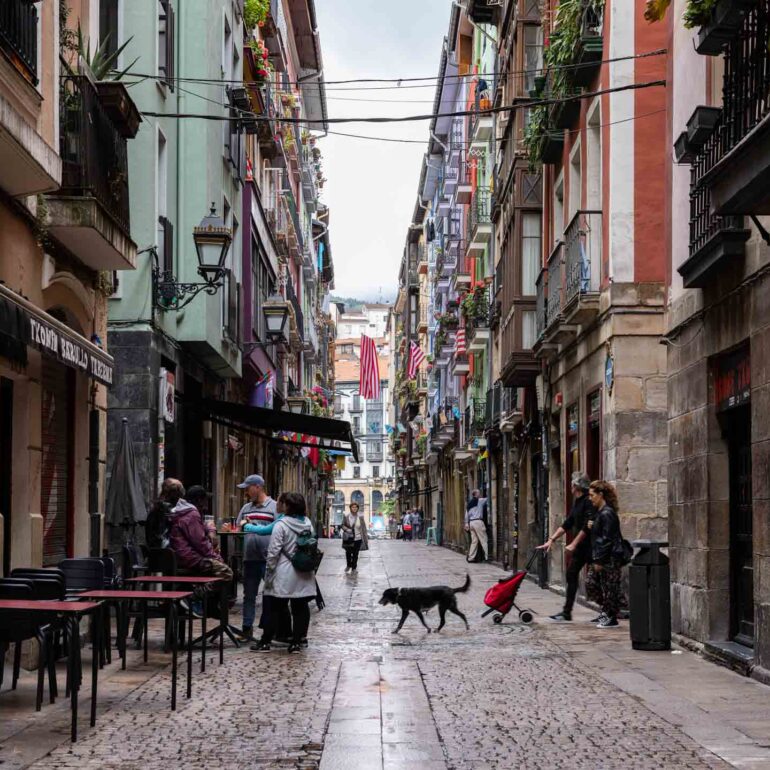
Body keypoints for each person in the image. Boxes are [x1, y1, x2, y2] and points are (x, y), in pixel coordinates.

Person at [252, 492, 317, 654]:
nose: (278, 505)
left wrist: (269, 573)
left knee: (275, 607)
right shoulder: (308, 524)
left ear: (287, 506)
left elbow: (273, 552)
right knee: (300, 607)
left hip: (284, 572)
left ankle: (265, 641)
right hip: (303, 572)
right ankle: (296, 642)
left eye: (281, 502)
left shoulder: (281, 525)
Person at [537, 472, 594, 622]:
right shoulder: (578, 501)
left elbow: (587, 526)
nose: (570, 487)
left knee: (599, 577)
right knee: (571, 574)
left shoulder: (589, 501)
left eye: (571, 484)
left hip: (591, 546)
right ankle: (566, 612)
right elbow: (568, 523)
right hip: (582, 547)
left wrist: (574, 543)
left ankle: (610, 611)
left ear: (575, 486)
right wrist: (551, 540)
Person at [569, 480, 624, 629]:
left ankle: (611, 616)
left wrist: (599, 561)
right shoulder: (600, 513)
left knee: (609, 586)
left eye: (592, 495)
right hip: (600, 556)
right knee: (591, 583)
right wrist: (591, 526)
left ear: (601, 495)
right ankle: (607, 611)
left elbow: (607, 539)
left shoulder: (607, 513)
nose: (589, 498)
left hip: (609, 557)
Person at [234, 474, 277, 641]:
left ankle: (270, 629)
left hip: (268, 559)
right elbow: (238, 529)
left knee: (271, 594)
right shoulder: (245, 508)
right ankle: (246, 629)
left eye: (248, 488)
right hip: (250, 558)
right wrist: (233, 529)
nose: (246, 492)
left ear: (258, 487)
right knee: (249, 595)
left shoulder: (273, 507)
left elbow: (279, 530)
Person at [165, 479, 233, 580]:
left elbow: (202, 528)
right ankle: (196, 595)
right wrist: (217, 559)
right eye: (205, 501)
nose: (205, 506)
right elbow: (201, 543)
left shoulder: (182, 511)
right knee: (226, 572)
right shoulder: (191, 514)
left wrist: (210, 529)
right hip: (188, 558)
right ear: (199, 500)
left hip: (180, 556)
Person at [341, 502, 368, 572]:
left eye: (356, 507)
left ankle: (354, 568)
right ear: (350, 508)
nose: (354, 508)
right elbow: (342, 525)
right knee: (348, 552)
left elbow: (364, 528)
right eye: (353, 507)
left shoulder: (360, 517)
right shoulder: (346, 516)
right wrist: (347, 529)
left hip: (358, 538)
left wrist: (365, 538)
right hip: (349, 538)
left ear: (357, 508)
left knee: (356, 554)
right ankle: (348, 565)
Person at [464, 489, 488, 562]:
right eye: (479, 493)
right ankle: (487, 557)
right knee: (484, 539)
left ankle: (471, 558)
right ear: (476, 494)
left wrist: (466, 523)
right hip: (478, 522)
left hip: (471, 523)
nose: (480, 494)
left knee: (474, 541)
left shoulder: (469, 504)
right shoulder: (480, 501)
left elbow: (466, 515)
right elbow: (488, 498)